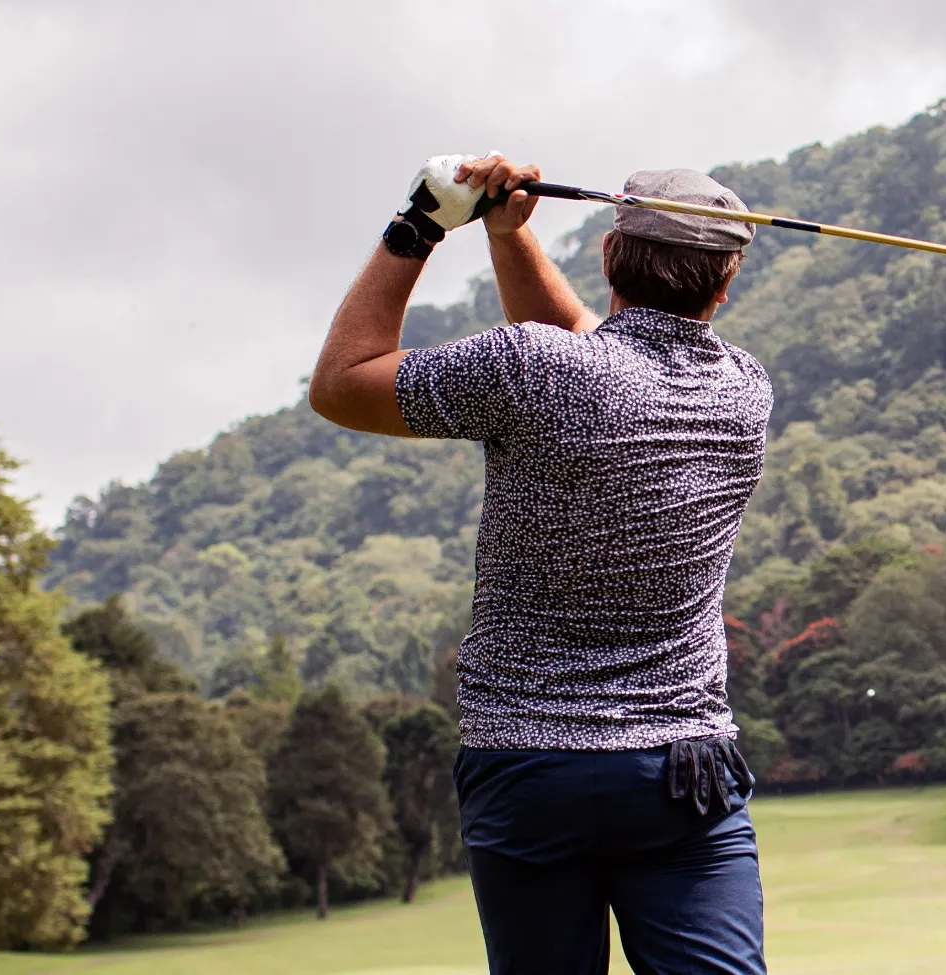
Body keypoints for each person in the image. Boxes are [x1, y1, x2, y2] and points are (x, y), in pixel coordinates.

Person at [308, 152, 773, 975]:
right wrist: (508, 236)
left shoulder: (529, 368)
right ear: (725, 281)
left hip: (528, 769)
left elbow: (341, 384)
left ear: (609, 253)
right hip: (683, 773)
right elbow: (603, 359)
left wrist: (421, 224)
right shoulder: (743, 390)